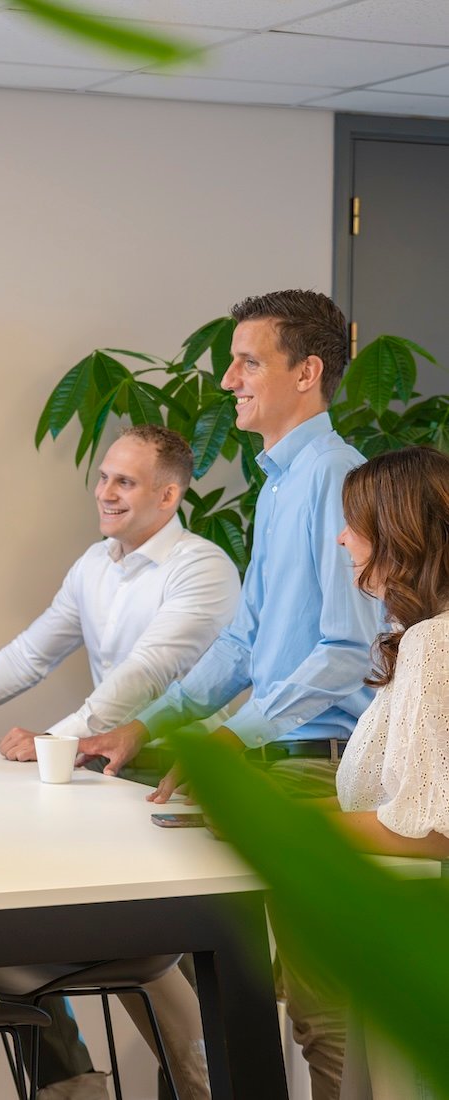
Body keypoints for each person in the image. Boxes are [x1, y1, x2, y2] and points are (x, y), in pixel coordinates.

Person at [82, 290, 383, 1100]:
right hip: (269, 762)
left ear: (307, 373)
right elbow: (245, 645)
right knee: (253, 994)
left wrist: (227, 737)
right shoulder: (279, 483)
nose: (227, 381)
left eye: (248, 362)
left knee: (322, 1012)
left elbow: (345, 652)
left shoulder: (337, 477)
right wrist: (147, 727)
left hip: (315, 768)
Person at [0, 424, 241, 1100]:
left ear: (169, 496)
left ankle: (204, 1082)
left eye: (125, 482)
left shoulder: (202, 568)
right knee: (87, 918)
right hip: (109, 766)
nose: (105, 492)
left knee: (154, 936)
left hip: (180, 774)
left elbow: (145, 674)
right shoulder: (95, 565)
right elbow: (31, 653)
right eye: (103, 477)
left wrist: (60, 740)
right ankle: (90, 1082)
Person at [331, 447, 449, 1098]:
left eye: (355, 523)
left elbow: (430, 829)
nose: (342, 539)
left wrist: (279, 826)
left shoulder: (434, 643)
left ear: (397, 532)